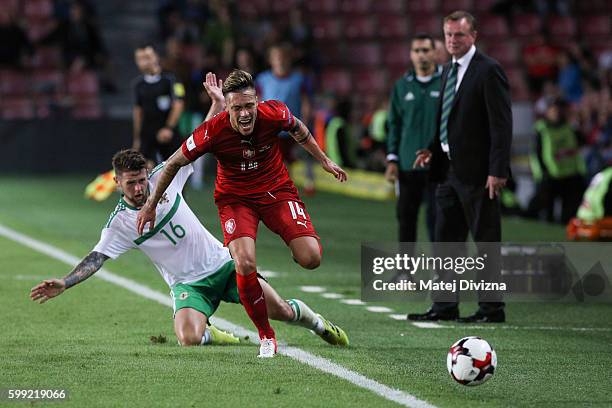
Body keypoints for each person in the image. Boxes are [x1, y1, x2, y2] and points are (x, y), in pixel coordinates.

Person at [30, 149, 348, 353]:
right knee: (188, 338)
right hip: (188, 285)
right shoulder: (120, 224)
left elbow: (196, 145)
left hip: (224, 265)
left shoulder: (165, 179)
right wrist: (66, 282)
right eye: (131, 184)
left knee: (280, 312)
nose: (139, 188)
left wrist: (215, 104)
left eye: (141, 180)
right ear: (116, 183)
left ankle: (319, 324)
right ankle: (216, 334)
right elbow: (97, 257)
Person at [136, 69, 347, 357]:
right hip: (235, 200)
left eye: (249, 106)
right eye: (237, 108)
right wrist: (150, 206)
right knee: (245, 263)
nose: (245, 114)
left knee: (310, 258)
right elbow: (173, 163)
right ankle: (267, 337)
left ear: (257, 101)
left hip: (276, 191)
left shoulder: (274, 113)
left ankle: (316, 321)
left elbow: (299, 129)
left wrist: (324, 160)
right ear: (227, 107)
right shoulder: (213, 131)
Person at [411, 11, 512, 323]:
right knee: (446, 242)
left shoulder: (489, 70)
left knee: (485, 242)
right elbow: (448, 117)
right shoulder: (448, 70)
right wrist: (432, 147)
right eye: (449, 35)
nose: (453, 40)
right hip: (447, 170)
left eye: (459, 35)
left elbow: (501, 125)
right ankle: (444, 306)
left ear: (474, 37)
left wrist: (498, 170)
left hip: (479, 173)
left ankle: (491, 309)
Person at [385, 33, 442, 247]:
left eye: (425, 50)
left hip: (438, 165)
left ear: (435, 53)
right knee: (406, 219)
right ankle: (405, 273)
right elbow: (394, 124)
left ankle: (441, 272)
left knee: (438, 219)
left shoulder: (446, 83)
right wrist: (392, 159)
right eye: (417, 51)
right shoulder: (402, 86)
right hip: (407, 163)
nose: (421, 55)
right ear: (411, 55)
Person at [526, 98, 585, 223]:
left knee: (568, 214)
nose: (557, 112)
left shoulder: (570, 126)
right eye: (554, 109)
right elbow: (536, 154)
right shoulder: (541, 129)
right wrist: (541, 175)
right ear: (547, 111)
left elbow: (580, 144)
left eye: (559, 109)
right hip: (550, 176)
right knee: (548, 214)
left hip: (570, 175)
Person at [132, 44, 185, 166]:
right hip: (147, 133)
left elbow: (179, 103)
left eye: (147, 57)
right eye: (139, 59)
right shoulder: (138, 85)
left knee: (171, 168)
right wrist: (137, 138)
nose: (143, 62)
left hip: (167, 132)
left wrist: (168, 128)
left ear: (156, 57)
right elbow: (138, 111)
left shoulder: (171, 79)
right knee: (145, 167)